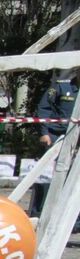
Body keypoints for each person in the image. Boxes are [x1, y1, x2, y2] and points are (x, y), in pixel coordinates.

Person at [31, 71, 77, 224]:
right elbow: (44, 108)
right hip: (56, 136)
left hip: (77, 138)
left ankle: (73, 220)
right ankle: (39, 213)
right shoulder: (61, 87)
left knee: (75, 179)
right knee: (47, 177)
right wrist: (44, 132)